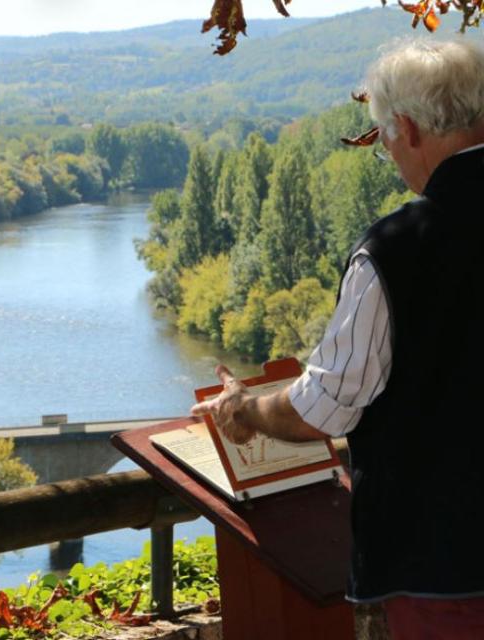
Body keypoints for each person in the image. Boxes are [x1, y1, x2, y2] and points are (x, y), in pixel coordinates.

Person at [191, 39, 484, 639]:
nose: (394, 161)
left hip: (447, 569)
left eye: (385, 144)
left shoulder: (397, 250)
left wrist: (245, 408)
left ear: (406, 128)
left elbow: (325, 406)